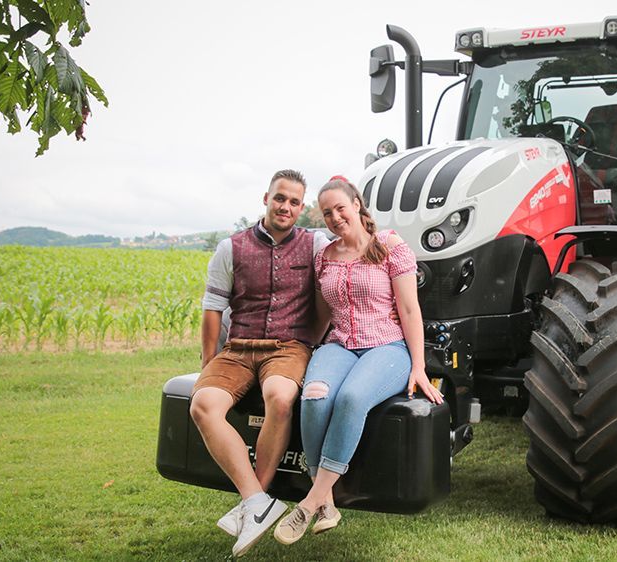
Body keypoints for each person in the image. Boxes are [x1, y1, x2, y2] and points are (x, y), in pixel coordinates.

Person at [272, 177, 444, 545]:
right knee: (316, 395)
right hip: (338, 345)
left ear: (357, 205)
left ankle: (310, 500)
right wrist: (297, 348)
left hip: (387, 346)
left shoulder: (390, 247)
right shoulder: (325, 256)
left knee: (351, 398)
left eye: (340, 208)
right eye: (327, 213)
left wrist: (418, 366)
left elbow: (410, 310)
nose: (335, 217)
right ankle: (327, 501)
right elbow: (321, 316)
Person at [190, 169, 330, 557]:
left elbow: (338, 281)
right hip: (237, 348)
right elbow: (213, 308)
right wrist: (208, 363)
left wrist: (312, 341)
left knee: (280, 397)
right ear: (265, 198)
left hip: (288, 347)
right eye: (279, 198)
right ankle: (257, 500)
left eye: (294, 201)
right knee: (203, 405)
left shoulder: (316, 244)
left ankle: (254, 503)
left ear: (303, 207)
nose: (286, 206)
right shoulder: (230, 248)